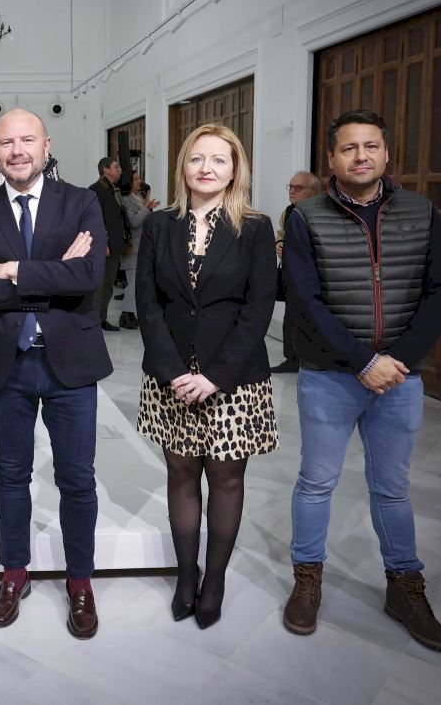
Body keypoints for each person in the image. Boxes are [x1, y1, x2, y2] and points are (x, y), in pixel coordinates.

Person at [282, 109, 441, 652]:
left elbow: (440, 292)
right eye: (349, 148)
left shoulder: (421, 212)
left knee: (392, 488)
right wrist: (362, 360)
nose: (361, 156)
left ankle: (405, 587)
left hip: (399, 378)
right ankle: (307, 579)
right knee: (317, 482)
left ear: (386, 153)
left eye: (371, 146)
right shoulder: (306, 216)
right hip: (329, 376)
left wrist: (396, 359)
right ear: (332, 159)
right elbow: (305, 301)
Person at [0, 108, 111, 639]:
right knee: (10, 474)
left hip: (72, 362)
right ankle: (14, 573)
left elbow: (89, 276)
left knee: (78, 479)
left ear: (47, 145)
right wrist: (55, 274)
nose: (17, 151)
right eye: (6, 143)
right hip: (9, 362)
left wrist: (13, 270)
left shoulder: (81, 201)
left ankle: (80, 581)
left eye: (27, 140)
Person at [135, 124, 278, 629]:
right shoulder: (160, 225)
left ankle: (214, 580)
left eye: (219, 159)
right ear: (183, 166)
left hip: (233, 379)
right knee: (180, 475)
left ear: (235, 169)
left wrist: (214, 376)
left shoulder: (255, 227)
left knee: (226, 478)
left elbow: (259, 309)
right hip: (172, 377)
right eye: (197, 158)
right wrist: (175, 371)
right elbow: (148, 303)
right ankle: (186, 575)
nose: (207, 168)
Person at [271, 172, 322, 372]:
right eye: (290, 187)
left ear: (314, 192)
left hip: (316, 277)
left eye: (298, 188)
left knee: (313, 318)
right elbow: (281, 234)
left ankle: (314, 361)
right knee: (290, 318)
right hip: (291, 275)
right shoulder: (288, 212)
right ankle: (291, 360)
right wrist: (279, 243)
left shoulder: (322, 213)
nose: (292, 191)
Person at [89, 157, 130, 331]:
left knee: (108, 285)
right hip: (103, 246)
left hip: (115, 244)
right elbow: (94, 220)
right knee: (99, 285)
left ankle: (101, 318)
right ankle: (92, 320)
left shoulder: (115, 190)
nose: (119, 169)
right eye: (116, 167)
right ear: (105, 170)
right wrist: (102, 242)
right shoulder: (95, 190)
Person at [118, 176, 157, 329]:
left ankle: (131, 314)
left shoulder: (138, 197)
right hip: (132, 247)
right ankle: (126, 315)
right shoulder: (125, 199)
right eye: (135, 179)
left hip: (142, 247)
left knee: (137, 284)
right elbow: (133, 222)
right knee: (133, 284)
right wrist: (146, 207)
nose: (140, 182)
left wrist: (149, 207)